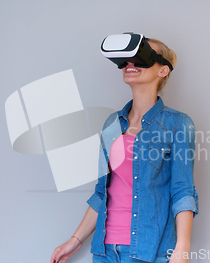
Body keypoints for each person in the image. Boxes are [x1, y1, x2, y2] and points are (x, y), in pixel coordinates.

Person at [51, 36, 199, 263]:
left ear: (163, 71)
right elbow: (102, 193)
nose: (131, 62)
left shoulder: (177, 124)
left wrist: (182, 249)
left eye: (142, 56)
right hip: (104, 252)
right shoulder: (112, 124)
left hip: (149, 251)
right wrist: (75, 241)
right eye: (129, 58)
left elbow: (182, 191)